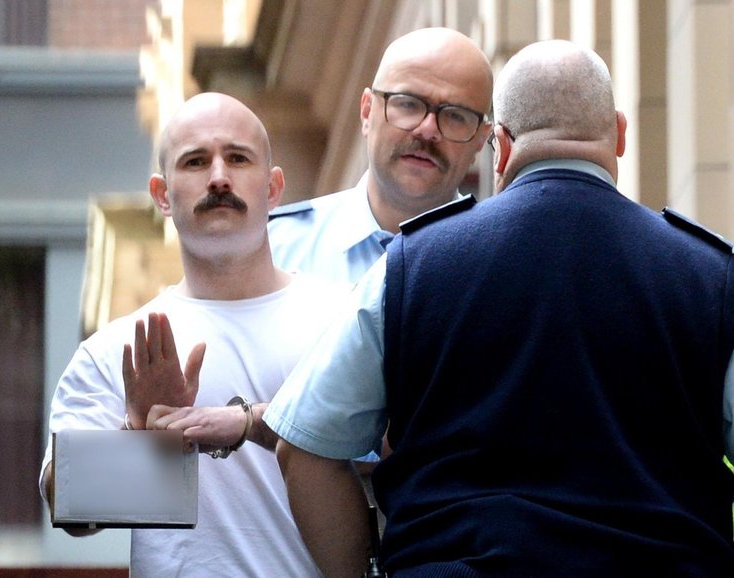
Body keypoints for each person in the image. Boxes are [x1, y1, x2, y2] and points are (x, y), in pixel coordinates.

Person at [263, 40, 734, 577]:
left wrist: (368, 569)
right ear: (620, 134)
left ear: (502, 147)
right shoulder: (711, 277)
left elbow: (302, 447)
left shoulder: (413, 266)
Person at [39, 92, 347, 577]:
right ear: (162, 194)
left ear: (273, 188)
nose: (219, 177)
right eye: (196, 161)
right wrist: (136, 432)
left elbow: (393, 456)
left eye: (238, 158)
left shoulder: (346, 317)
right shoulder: (116, 350)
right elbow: (69, 508)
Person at [268, 26, 493, 284]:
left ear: (480, 140)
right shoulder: (276, 250)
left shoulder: (498, 267)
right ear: (366, 112)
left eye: (455, 115)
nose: (428, 129)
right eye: (408, 103)